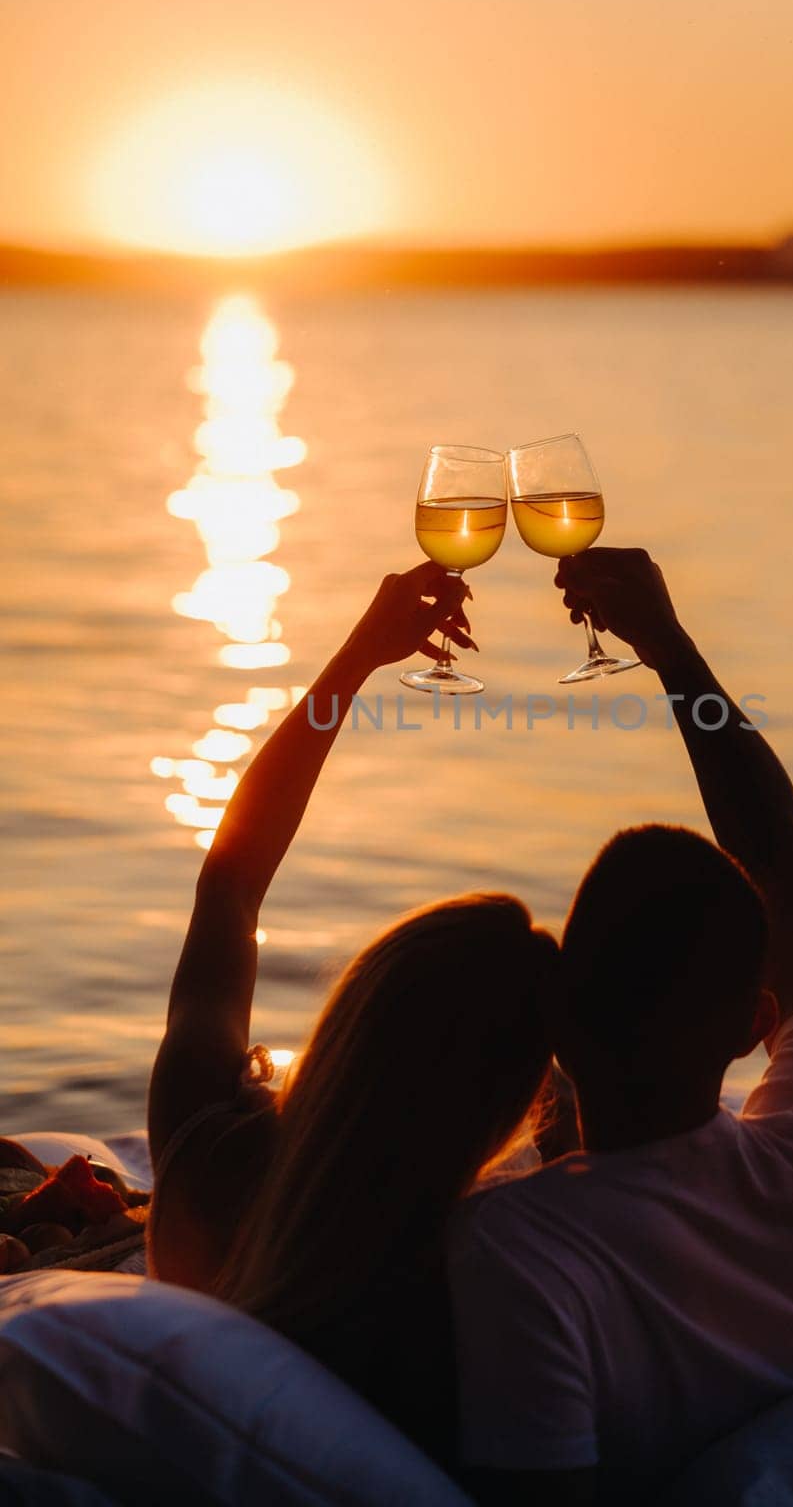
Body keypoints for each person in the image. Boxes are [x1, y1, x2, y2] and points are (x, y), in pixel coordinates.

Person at [447, 548, 793, 1506]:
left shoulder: (518, 1248)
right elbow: (788, 875)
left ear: (555, 1015)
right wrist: (670, 649)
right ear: (754, 1025)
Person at [147, 563, 556, 1464]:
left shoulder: (202, 1149)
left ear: (354, 1008)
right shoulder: (486, 1283)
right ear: (515, 1101)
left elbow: (231, 884)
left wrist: (356, 662)